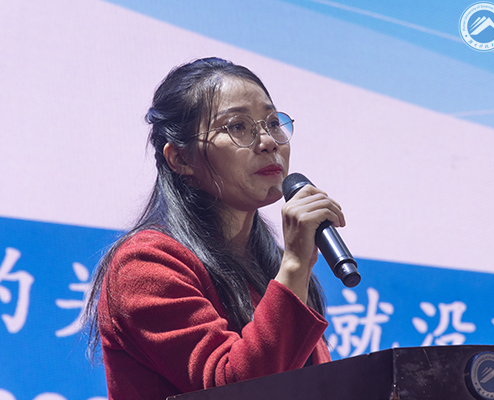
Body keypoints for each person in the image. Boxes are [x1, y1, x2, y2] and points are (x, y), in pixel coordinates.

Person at [84, 57, 345, 400]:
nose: (268, 141)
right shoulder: (145, 264)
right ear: (181, 159)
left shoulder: (271, 266)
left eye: (272, 122)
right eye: (237, 126)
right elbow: (236, 389)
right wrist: (295, 265)